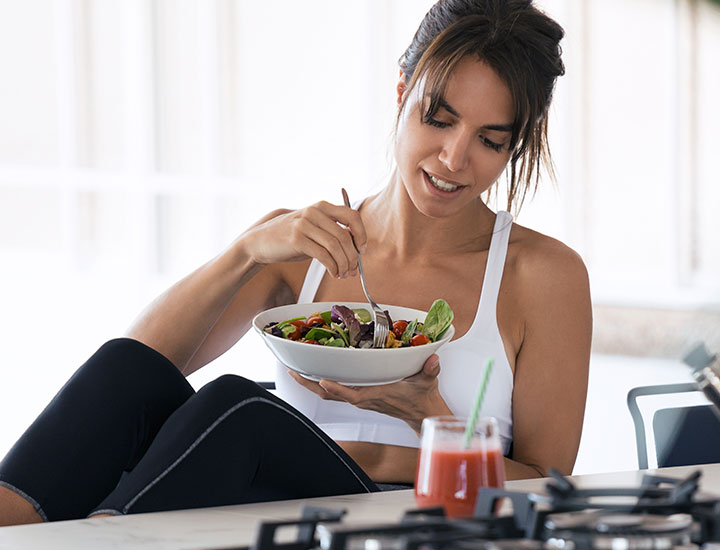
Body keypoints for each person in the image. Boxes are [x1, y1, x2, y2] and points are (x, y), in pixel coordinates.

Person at [0, 0, 591, 526]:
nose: (455, 158)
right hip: (267, 510)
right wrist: (248, 250)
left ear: (516, 143)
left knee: (241, 409)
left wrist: (424, 420)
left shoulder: (540, 275)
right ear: (401, 91)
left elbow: (547, 483)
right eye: (438, 118)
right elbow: (139, 371)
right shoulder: (300, 247)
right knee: (128, 371)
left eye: (490, 139)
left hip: (408, 516)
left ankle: (97, 540)